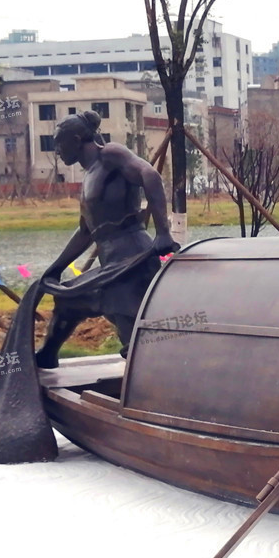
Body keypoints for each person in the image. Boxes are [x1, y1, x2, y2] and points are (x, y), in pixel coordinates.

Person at [35, 110, 179, 368]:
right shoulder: (89, 176)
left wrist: (163, 232)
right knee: (68, 299)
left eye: (59, 143)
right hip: (111, 259)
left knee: (134, 334)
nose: (56, 151)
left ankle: (158, 379)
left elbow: (150, 175)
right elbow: (86, 232)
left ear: (76, 140)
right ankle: (46, 356)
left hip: (132, 258)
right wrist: (55, 269)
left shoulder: (110, 154)